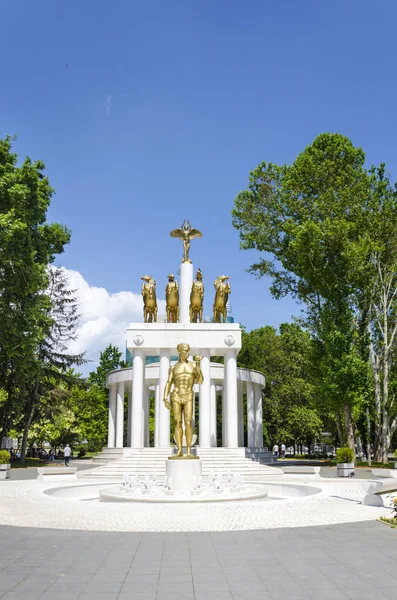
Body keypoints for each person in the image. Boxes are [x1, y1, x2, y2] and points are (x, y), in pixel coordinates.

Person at [163, 343, 203, 458]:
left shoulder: (193, 366)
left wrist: (198, 365)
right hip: (176, 395)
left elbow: (200, 381)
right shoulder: (173, 367)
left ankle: (189, 450)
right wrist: (165, 397)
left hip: (188, 395)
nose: (187, 353)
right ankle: (180, 450)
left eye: (188, 350)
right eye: (185, 350)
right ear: (179, 352)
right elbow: (168, 382)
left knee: (189, 422)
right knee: (177, 422)